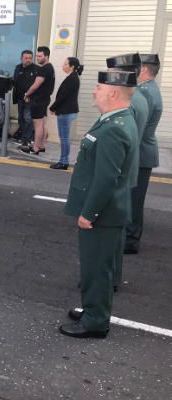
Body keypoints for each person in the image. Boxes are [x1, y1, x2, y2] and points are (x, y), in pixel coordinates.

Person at [61, 71, 137, 339]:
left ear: (114, 93)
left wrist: (88, 213)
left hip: (102, 213)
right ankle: (93, 309)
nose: (94, 91)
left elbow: (106, 179)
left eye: (99, 87)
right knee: (97, 266)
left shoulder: (115, 127)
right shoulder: (116, 120)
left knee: (96, 268)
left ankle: (96, 322)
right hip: (108, 211)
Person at [105, 53, 148, 288]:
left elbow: (120, 141)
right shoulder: (139, 98)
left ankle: (109, 276)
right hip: (127, 171)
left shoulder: (130, 103)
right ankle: (111, 274)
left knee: (112, 230)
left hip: (120, 173)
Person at [125, 54, 163, 254]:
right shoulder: (149, 89)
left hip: (141, 152)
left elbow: (136, 127)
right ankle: (130, 236)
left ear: (145, 70)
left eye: (138, 68)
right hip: (143, 151)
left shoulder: (145, 93)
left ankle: (130, 240)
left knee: (134, 198)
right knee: (134, 197)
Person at [48, 57, 83, 170]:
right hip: (66, 111)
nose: (63, 65)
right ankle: (63, 160)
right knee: (64, 137)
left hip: (66, 112)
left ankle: (63, 162)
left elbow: (63, 96)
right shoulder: (72, 77)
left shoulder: (72, 79)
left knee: (64, 138)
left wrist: (53, 107)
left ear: (71, 67)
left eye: (65, 64)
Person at [21, 46, 55, 155]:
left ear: (46, 56)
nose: (37, 58)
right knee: (43, 123)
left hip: (38, 100)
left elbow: (35, 85)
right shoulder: (50, 68)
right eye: (37, 56)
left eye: (40, 56)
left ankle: (35, 148)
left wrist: (27, 94)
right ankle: (41, 145)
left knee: (38, 125)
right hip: (44, 99)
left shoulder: (44, 69)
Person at [12, 50, 37, 144]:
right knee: (21, 118)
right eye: (26, 58)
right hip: (19, 98)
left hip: (30, 99)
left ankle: (28, 138)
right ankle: (23, 136)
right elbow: (15, 81)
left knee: (28, 118)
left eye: (30, 58)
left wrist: (29, 95)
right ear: (21, 58)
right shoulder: (18, 68)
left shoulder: (36, 69)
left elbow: (36, 85)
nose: (28, 60)